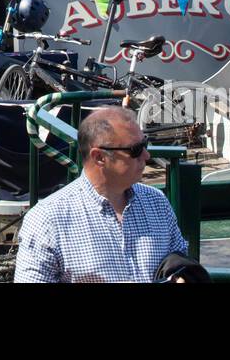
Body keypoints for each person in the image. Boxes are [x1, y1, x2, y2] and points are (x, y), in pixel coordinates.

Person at [14, 107, 190, 282]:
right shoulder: (47, 219)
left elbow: (182, 265)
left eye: (145, 143)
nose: (146, 155)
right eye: (135, 149)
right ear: (99, 157)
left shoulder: (157, 202)